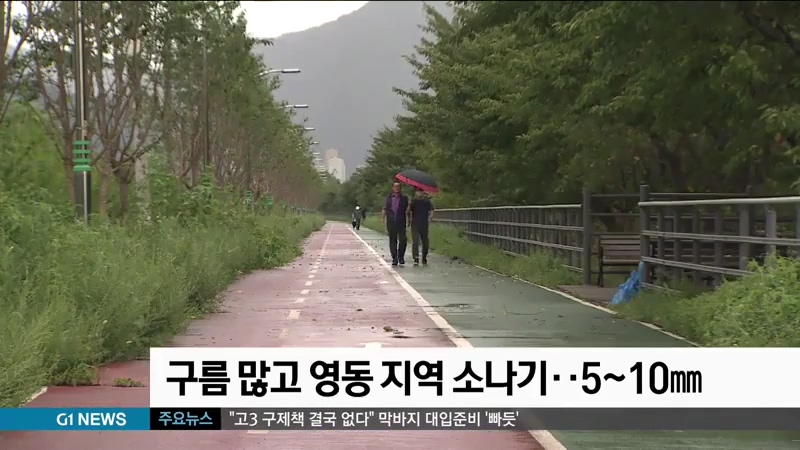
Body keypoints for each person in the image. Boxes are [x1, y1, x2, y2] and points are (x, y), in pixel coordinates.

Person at [381, 181, 410, 266]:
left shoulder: (404, 198)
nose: (397, 188)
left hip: (401, 221)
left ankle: (401, 257)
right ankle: (394, 258)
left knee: (403, 240)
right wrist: (383, 218)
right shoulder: (388, 198)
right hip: (391, 221)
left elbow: (408, 210)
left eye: (398, 187)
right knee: (393, 240)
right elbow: (384, 208)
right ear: (392, 188)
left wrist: (409, 219)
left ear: (400, 188)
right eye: (395, 187)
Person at [410, 188, 434, 265]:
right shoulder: (413, 202)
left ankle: (424, 256)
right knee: (415, 241)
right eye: (418, 191)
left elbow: (431, 209)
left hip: (424, 223)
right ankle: (416, 257)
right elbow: (409, 211)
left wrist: (430, 217)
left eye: (420, 191)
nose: (419, 193)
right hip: (415, 223)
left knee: (425, 241)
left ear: (423, 192)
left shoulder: (427, 201)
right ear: (416, 193)